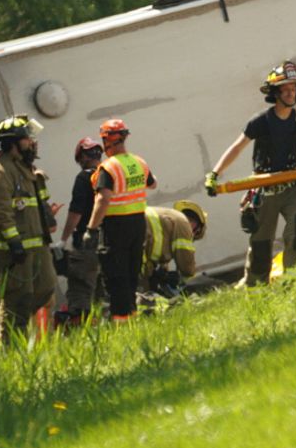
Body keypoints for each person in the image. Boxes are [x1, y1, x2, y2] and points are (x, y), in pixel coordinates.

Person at [205, 61, 296, 286]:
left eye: (293, 89)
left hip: (292, 188)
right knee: (261, 246)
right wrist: (215, 173)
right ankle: (255, 288)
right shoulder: (261, 122)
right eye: (285, 89)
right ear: (275, 94)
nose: (290, 93)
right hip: (264, 191)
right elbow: (237, 147)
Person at [0, 115, 58, 340]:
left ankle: (3, 321)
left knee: (45, 288)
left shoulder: (26, 169)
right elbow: (1, 212)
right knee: (17, 300)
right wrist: (14, 243)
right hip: (14, 253)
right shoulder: (0, 172)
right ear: (13, 142)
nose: (32, 144)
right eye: (27, 139)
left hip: (37, 247)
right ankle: (4, 344)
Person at [86, 118, 155, 321]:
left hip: (115, 227)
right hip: (138, 223)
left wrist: (91, 229)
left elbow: (103, 199)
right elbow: (153, 183)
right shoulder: (138, 162)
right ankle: (132, 316)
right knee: (132, 273)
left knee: (116, 277)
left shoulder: (108, 167)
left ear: (107, 141)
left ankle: (121, 323)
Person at [59, 135, 104, 326]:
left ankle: (82, 330)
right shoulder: (109, 175)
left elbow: (76, 211)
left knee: (80, 288)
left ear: (82, 157)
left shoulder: (84, 177)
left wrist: (64, 239)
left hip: (87, 241)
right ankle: (107, 324)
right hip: (110, 239)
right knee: (104, 287)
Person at [142, 201, 207, 296]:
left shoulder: (168, 221)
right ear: (198, 229)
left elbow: (152, 250)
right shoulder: (183, 224)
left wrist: (158, 274)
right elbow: (187, 266)